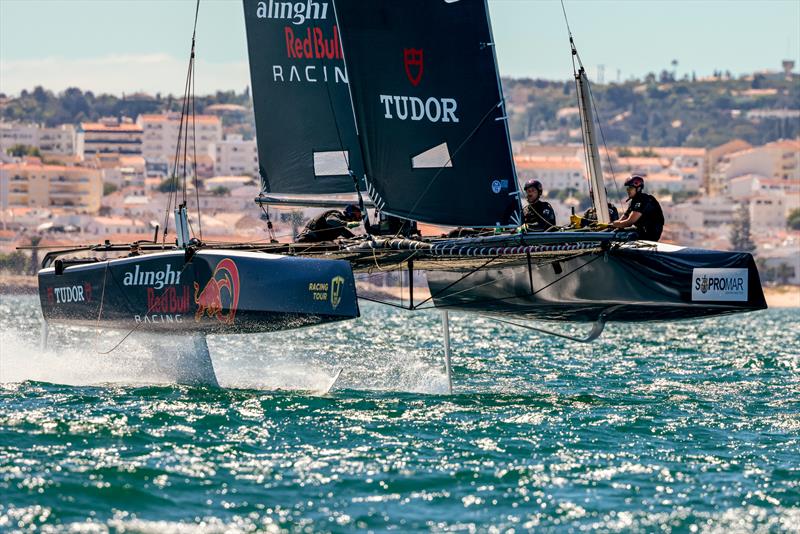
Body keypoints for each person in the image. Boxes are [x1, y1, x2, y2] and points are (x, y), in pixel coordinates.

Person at [609, 175, 664, 241]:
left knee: (619, 234)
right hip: (642, 231)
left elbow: (629, 222)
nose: (628, 190)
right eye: (628, 188)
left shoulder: (642, 200)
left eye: (631, 188)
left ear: (638, 189)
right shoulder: (634, 202)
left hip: (650, 234)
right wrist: (611, 225)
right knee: (616, 231)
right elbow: (623, 218)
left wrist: (614, 224)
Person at [295, 204, 363, 243]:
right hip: (306, 239)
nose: (358, 218)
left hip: (317, 243)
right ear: (350, 214)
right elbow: (330, 221)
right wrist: (347, 224)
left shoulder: (340, 228)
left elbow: (348, 235)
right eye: (358, 215)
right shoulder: (336, 214)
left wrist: (360, 239)